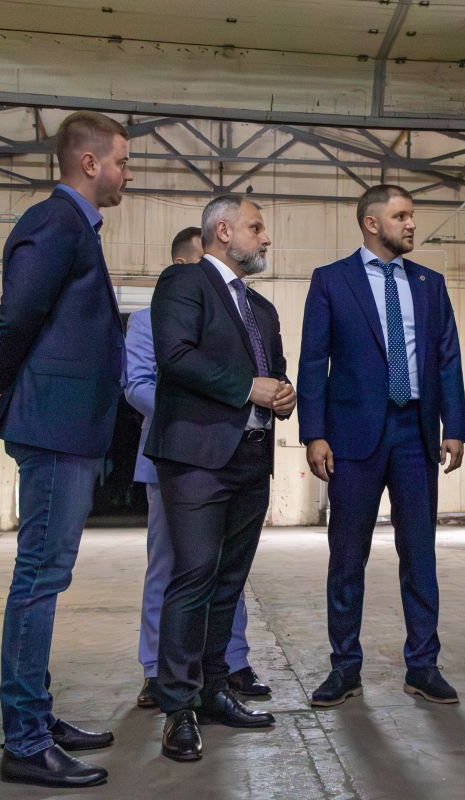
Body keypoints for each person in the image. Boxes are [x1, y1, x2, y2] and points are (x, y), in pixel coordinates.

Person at [0, 111, 132, 788]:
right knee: (38, 579)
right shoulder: (55, 222)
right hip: (54, 429)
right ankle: (26, 740)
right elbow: (19, 312)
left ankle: (37, 715)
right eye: (122, 161)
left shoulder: (73, 227)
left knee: (44, 577)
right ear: (89, 163)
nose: (126, 174)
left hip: (68, 427)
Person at [297, 184, 465, 707]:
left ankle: (423, 665)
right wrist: (314, 433)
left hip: (416, 434)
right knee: (348, 557)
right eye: (401, 216)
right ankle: (344, 667)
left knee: (419, 554)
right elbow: (313, 361)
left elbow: (447, 358)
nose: (412, 224)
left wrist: (455, 426)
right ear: (372, 224)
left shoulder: (430, 284)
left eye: (412, 215)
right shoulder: (331, 281)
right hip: (352, 438)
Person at [145, 194, 294, 762]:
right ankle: (178, 707)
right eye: (257, 227)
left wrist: (284, 394)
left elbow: (274, 372)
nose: (266, 238)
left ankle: (214, 689)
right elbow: (175, 356)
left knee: (229, 582)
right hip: (197, 458)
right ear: (224, 231)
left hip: (252, 458)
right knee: (194, 577)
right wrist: (248, 388)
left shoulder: (263, 309)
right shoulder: (183, 283)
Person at [125, 226, 271, 711]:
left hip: (235, 455)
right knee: (174, 570)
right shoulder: (148, 320)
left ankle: (230, 662)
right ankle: (157, 669)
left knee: (228, 570)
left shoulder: (245, 314)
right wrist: (215, 407)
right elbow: (139, 385)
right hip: (178, 455)